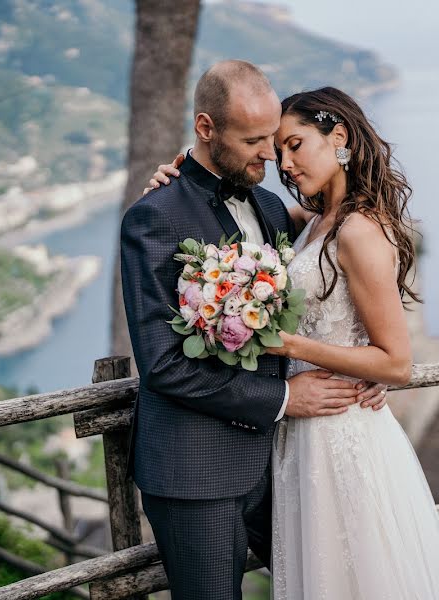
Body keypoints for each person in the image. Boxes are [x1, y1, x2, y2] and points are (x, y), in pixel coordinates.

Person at [148, 85, 439, 598]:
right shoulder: (310, 220)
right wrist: (179, 175)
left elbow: (397, 362)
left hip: (341, 432)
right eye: (278, 150)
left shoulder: (360, 229)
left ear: (338, 137)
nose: (284, 162)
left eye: (295, 144)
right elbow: (226, 215)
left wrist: (294, 348)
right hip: (298, 435)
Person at [122, 61, 387, 600]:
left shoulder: (269, 206)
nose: (272, 156)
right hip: (195, 471)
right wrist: (286, 396)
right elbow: (164, 364)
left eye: (275, 137)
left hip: (283, 463)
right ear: (205, 129)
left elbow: (326, 276)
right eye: (254, 140)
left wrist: (361, 360)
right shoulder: (155, 216)